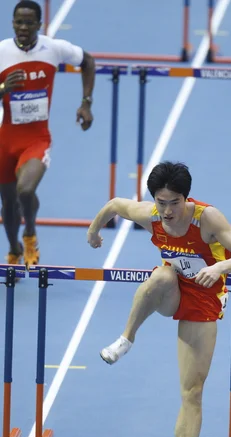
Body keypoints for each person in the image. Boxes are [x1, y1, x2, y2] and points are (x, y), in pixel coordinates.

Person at [87, 161, 231, 437]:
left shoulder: (207, 219)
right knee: (162, 276)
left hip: (205, 303)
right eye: (161, 202)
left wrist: (219, 266)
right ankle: (126, 338)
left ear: (186, 198)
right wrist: (93, 232)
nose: (167, 211)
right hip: (173, 290)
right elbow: (115, 204)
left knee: (192, 393)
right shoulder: (150, 214)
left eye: (174, 203)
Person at [0, 0, 95, 267]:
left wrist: (86, 103)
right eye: (19, 21)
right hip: (5, 139)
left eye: (29, 22)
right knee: (7, 203)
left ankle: (29, 234)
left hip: (36, 138)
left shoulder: (52, 48)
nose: (23, 27)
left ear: (39, 25)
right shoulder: (2, 52)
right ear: (12, 23)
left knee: (26, 190)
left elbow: (88, 61)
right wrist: (4, 87)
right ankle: (14, 248)